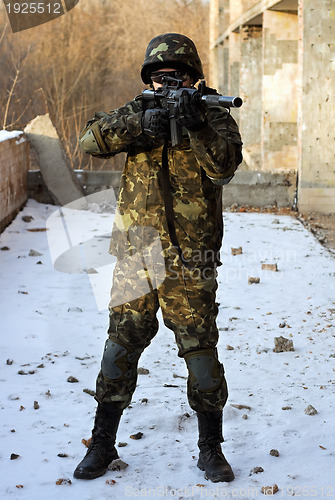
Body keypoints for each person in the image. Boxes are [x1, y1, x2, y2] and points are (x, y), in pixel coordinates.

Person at [74, 33, 243, 483]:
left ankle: (211, 449)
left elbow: (224, 167)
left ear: (195, 78)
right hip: (137, 256)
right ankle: (103, 443)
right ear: (149, 80)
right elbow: (89, 141)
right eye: (160, 77)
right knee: (119, 348)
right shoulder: (136, 111)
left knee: (201, 354)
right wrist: (137, 125)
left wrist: (199, 126)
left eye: (179, 77)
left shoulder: (214, 116)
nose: (169, 84)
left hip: (191, 260)